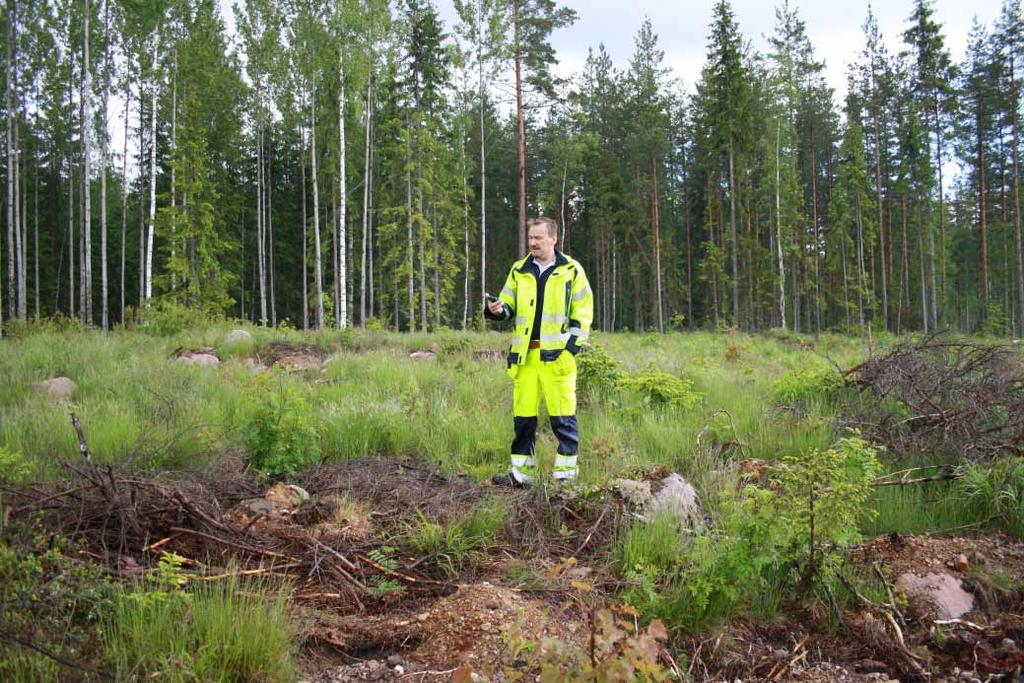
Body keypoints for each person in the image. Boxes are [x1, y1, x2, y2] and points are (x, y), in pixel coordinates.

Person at [485, 216, 593, 487]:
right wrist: (496, 310)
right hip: (525, 360)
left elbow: (583, 315)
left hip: (557, 359)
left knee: (563, 420)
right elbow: (507, 305)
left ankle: (565, 479)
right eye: (530, 238)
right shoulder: (519, 270)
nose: (532, 243)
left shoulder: (571, 270)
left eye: (538, 238)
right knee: (523, 421)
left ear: (553, 239)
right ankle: (522, 476)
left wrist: (569, 351)